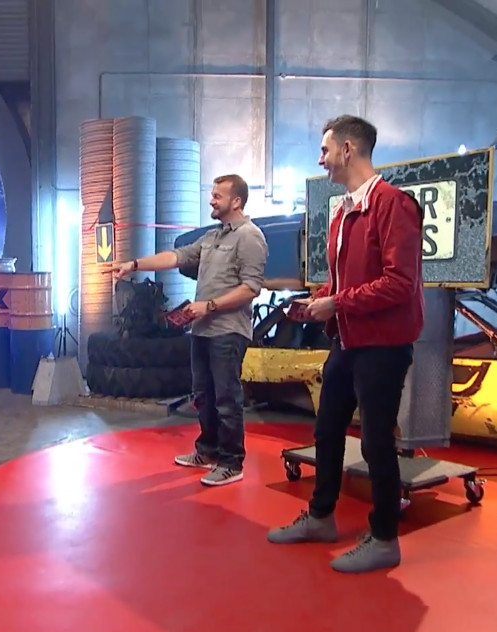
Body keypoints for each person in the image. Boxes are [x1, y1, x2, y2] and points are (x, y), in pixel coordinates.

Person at [266, 115, 425, 574]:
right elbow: (342, 282)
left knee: (376, 442)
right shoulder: (342, 212)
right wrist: (315, 299)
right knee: (327, 429)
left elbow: (399, 283)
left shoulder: (393, 204)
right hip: (349, 340)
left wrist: (336, 303)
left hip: (383, 345)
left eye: (325, 150)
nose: (321, 160)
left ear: (348, 149)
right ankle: (320, 517)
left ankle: (384, 539)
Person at [103, 174, 268, 487]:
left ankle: (231, 462)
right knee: (203, 395)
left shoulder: (250, 236)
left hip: (228, 331)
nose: (211, 200)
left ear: (236, 201)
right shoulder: (212, 237)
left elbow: (251, 288)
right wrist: (134, 265)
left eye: (217, 196)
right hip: (203, 331)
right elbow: (176, 257)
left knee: (226, 399)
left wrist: (210, 306)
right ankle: (207, 450)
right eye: (212, 194)